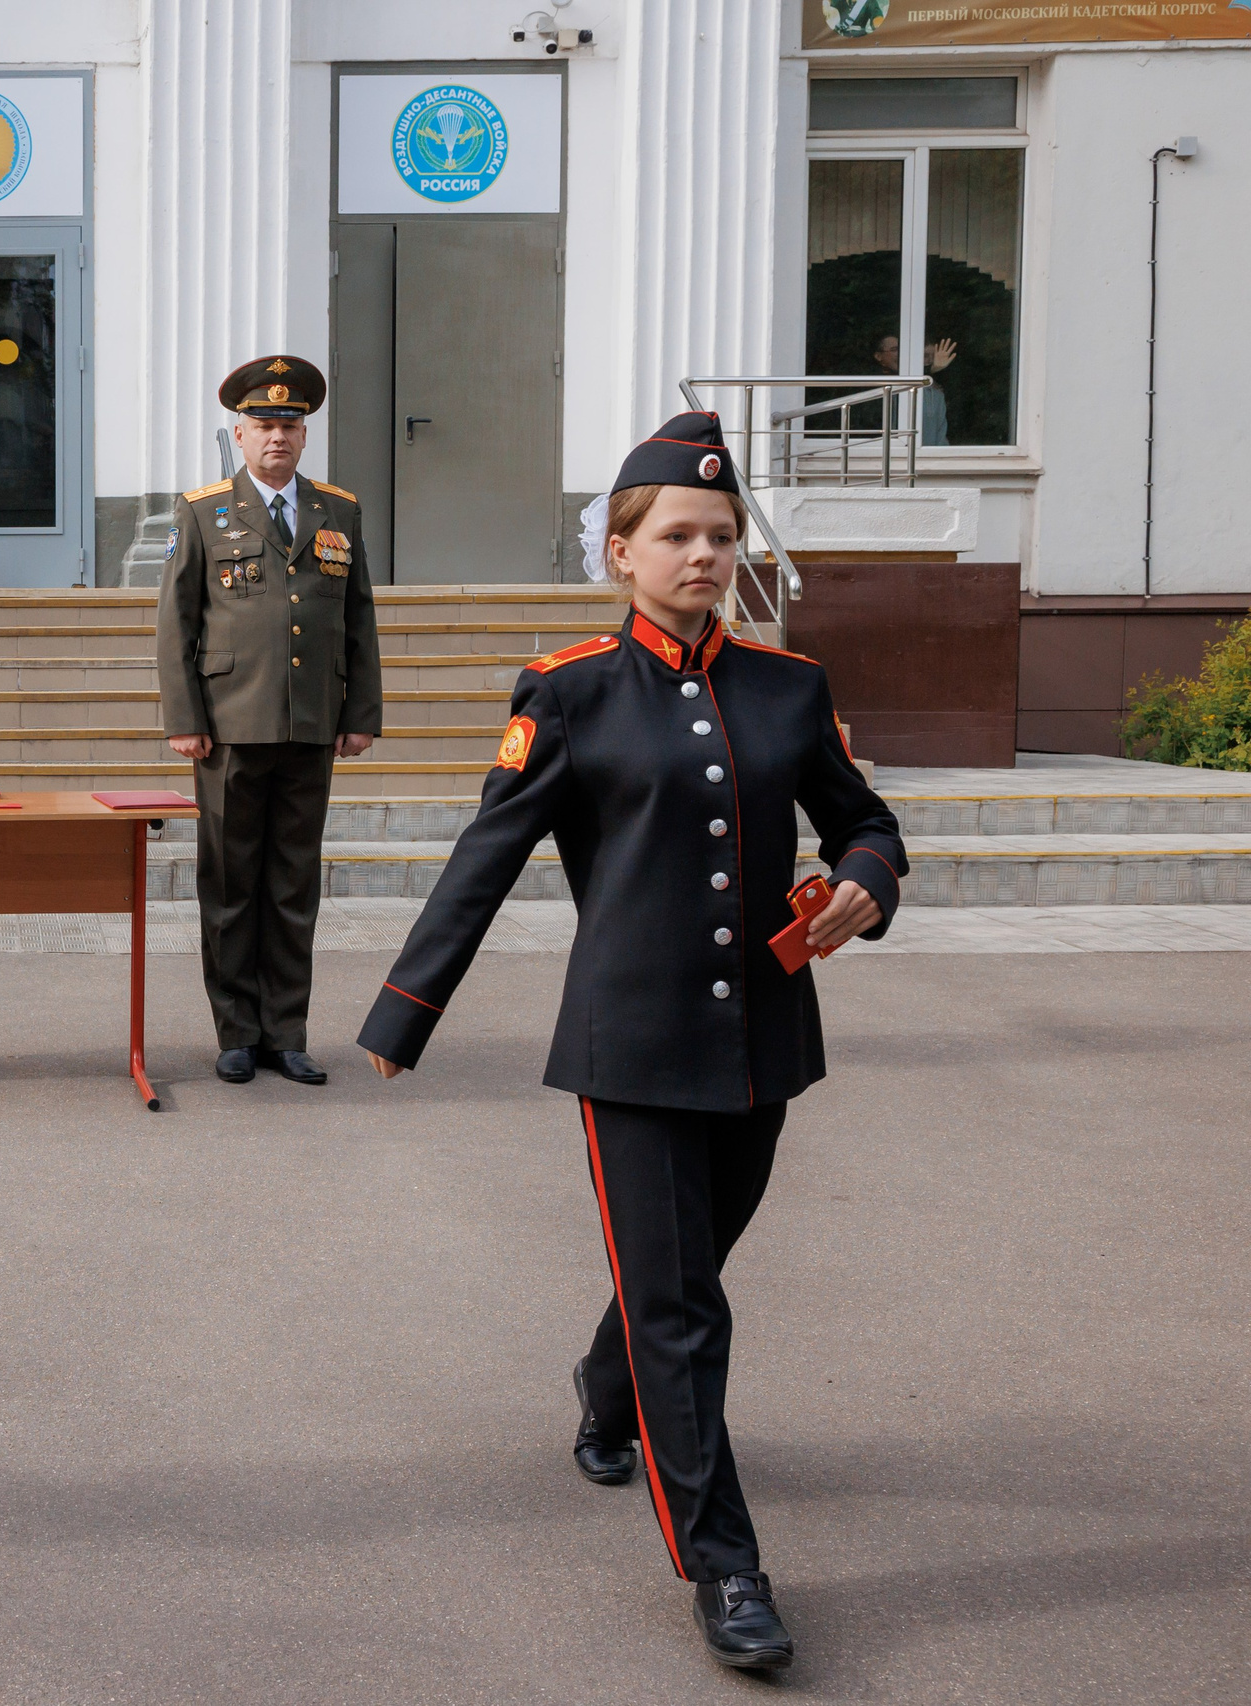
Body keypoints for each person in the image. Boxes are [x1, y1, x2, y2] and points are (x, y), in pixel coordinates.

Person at [355, 413, 909, 1673]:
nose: (704, 553)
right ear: (620, 553)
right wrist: (407, 1009)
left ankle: (607, 1395)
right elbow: (484, 858)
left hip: (765, 1039)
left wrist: (872, 877)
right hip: (630, 1045)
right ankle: (724, 1566)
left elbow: (864, 818)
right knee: (682, 1307)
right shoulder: (569, 694)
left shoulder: (788, 685)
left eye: (721, 535)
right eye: (677, 535)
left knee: (686, 1268)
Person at [156, 355, 382, 1086]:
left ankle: (286, 1031)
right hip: (227, 724)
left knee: (292, 883)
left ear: (304, 435)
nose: (276, 437)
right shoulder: (203, 511)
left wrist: (361, 714)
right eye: (263, 425)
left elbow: (358, 620)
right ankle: (235, 1032)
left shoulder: (336, 512)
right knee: (229, 884)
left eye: (289, 425)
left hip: (310, 723)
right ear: (240, 433)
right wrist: (184, 717)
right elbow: (176, 624)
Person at [872, 332, 955, 446]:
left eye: (902, 349)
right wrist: (933, 371)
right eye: (895, 349)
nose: (930, 361)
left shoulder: (935, 390)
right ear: (878, 356)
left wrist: (935, 372)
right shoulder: (874, 381)